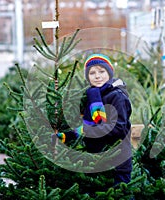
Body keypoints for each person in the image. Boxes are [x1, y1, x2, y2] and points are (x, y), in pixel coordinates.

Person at [56, 53, 132, 186]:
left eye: (102, 71)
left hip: (117, 162)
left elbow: (118, 128)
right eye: (92, 73)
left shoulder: (117, 96)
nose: (97, 76)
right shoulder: (93, 95)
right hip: (96, 160)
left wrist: (88, 131)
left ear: (109, 73)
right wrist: (68, 136)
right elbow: (90, 127)